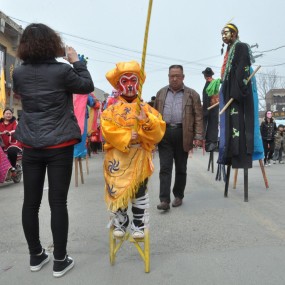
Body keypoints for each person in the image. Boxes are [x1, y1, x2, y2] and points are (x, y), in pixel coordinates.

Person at [12, 23, 94, 277]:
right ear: (51, 43)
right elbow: (87, 86)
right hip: (59, 144)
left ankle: (36, 255)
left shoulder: (19, 73)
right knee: (58, 202)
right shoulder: (62, 71)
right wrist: (76, 61)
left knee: (30, 203)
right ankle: (60, 259)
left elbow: (19, 96)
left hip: (31, 144)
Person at [101, 61, 165, 238]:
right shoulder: (111, 111)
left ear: (139, 84)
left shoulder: (146, 109)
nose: (129, 84)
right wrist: (128, 135)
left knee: (139, 190)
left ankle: (138, 223)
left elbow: (158, 132)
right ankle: (121, 221)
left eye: (133, 80)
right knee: (116, 189)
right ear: (118, 85)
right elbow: (107, 129)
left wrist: (146, 121)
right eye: (124, 80)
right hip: (117, 157)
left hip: (138, 156)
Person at [154, 65, 203, 210]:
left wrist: (198, 136)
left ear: (183, 77)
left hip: (184, 134)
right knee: (165, 168)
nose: (174, 78)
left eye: (177, 76)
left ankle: (178, 195)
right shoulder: (161, 93)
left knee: (181, 168)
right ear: (168, 76)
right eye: (171, 76)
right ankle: (164, 200)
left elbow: (198, 116)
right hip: (165, 134)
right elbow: (154, 116)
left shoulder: (192, 94)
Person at [217, 23, 254, 172]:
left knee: (238, 124)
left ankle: (240, 155)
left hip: (237, 92)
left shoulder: (241, 47)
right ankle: (229, 153)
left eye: (226, 33)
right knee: (229, 124)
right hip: (229, 91)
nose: (223, 36)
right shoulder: (229, 49)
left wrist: (237, 90)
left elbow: (242, 70)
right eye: (222, 34)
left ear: (234, 33)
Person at [202, 67, 219, 152]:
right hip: (216, 106)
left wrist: (205, 110)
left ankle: (210, 144)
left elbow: (206, 97)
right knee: (214, 125)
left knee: (209, 125)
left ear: (205, 75)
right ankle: (212, 143)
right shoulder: (215, 82)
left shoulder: (209, 83)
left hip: (210, 107)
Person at [0, 107, 22, 172]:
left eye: (10, 114)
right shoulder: (0, 123)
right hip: (2, 143)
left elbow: (16, 130)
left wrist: (9, 132)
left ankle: (13, 166)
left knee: (11, 151)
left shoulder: (15, 122)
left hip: (14, 143)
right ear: (3, 114)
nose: (8, 115)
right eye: (7, 114)